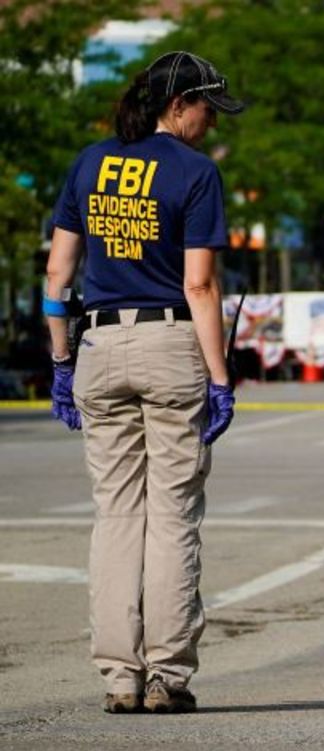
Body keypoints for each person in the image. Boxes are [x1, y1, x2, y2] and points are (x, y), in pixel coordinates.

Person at [44, 51, 245, 714]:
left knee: (117, 514)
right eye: (208, 109)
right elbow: (200, 284)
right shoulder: (195, 174)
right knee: (172, 514)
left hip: (98, 342)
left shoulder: (90, 163)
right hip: (168, 343)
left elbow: (57, 276)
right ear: (179, 104)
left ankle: (118, 675)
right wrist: (220, 378)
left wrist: (61, 361)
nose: (211, 122)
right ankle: (166, 674)